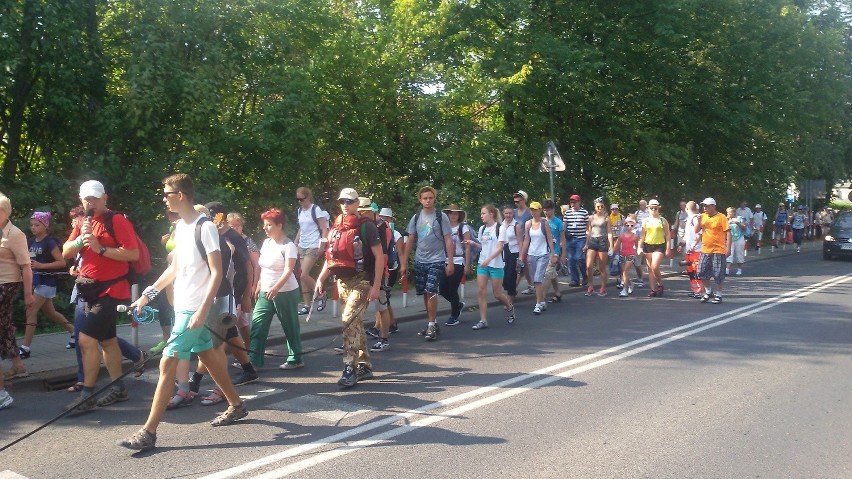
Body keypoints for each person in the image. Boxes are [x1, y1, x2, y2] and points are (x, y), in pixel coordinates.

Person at [119, 173, 248, 452]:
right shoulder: (180, 228)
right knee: (207, 356)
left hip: (195, 309)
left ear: (181, 196)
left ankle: (148, 432)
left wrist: (203, 310)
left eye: (167, 193)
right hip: (184, 307)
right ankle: (236, 404)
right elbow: (174, 268)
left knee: (167, 363)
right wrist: (147, 294)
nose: (163, 198)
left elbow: (217, 273)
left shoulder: (206, 228)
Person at [62, 180, 139, 413]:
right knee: (107, 341)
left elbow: (133, 253)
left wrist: (100, 248)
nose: (91, 202)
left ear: (105, 197)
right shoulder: (83, 222)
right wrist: (79, 241)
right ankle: (119, 388)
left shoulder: (116, 220)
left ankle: (87, 394)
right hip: (88, 289)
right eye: (87, 198)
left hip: (111, 290)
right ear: (81, 200)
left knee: (85, 340)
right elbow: (66, 252)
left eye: (95, 198)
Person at [315, 188, 383, 387]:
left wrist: (376, 286)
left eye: (350, 201)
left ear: (356, 203)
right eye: (342, 201)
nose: (345, 205)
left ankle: (349, 368)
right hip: (342, 282)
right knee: (355, 324)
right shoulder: (336, 226)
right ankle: (365, 365)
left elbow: (379, 257)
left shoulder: (367, 226)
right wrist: (321, 278)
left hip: (362, 280)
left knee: (348, 320)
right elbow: (331, 256)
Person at [248, 208, 303, 370]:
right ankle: (254, 360)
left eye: (269, 225)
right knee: (258, 324)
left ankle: (296, 358)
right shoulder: (266, 243)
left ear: (279, 225)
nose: (265, 228)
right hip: (266, 291)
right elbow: (262, 266)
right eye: (264, 225)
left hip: (285, 291)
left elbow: (288, 270)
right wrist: (258, 284)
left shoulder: (289, 246)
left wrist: (277, 287)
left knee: (290, 325)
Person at [399, 186, 454, 342]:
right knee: (424, 291)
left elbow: (448, 239)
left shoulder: (440, 216)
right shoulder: (416, 217)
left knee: (431, 290)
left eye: (430, 197)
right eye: (425, 198)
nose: (428, 200)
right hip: (420, 259)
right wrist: (404, 263)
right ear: (420, 200)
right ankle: (433, 322)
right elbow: (410, 240)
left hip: (436, 259)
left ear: (434, 198)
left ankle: (431, 325)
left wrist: (450, 262)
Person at [19, 211, 74, 358]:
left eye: (37, 225)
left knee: (30, 310)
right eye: (31, 225)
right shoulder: (31, 241)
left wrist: (41, 266)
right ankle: (75, 333)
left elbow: (61, 262)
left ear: (46, 225)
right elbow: (30, 261)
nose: (33, 228)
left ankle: (25, 347)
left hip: (47, 282)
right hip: (36, 282)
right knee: (50, 313)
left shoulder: (50, 242)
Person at [0, 193, 34, 381]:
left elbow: (26, 265)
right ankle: (18, 365)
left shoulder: (15, 234)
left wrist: (28, 294)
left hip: (7, 284)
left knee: (3, 324)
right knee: (4, 325)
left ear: (5, 212)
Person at [466, 204, 514, 329]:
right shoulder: (482, 229)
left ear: (491, 214)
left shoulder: (500, 228)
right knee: (481, 291)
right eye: (481, 213)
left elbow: (499, 248)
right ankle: (483, 320)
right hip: (483, 264)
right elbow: (483, 246)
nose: (481, 216)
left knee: (497, 294)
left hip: (496, 265)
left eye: (483, 213)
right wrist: (472, 243)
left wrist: (489, 259)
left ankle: (509, 307)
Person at [294, 187, 330, 315]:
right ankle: (307, 305)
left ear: (308, 197)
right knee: (301, 275)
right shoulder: (300, 210)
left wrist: (322, 245)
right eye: (297, 199)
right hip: (302, 245)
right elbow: (301, 228)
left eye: (301, 199)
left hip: (313, 244)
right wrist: (296, 241)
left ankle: (321, 293)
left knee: (303, 274)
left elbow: (324, 229)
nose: (299, 201)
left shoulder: (316, 210)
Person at [227, 212, 260, 348]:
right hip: (233, 286)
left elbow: (256, 265)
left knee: (229, 328)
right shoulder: (226, 240)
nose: (235, 228)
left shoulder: (247, 241)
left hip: (242, 285)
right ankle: (249, 350)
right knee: (242, 322)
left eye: (238, 225)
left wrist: (253, 286)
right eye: (232, 226)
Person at [520, 201, 557, 313]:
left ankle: (538, 304)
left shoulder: (544, 223)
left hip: (543, 254)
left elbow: (550, 239)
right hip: (531, 254)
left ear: (540, 210)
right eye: (531, 209)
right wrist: (522, 255)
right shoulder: (528, 224)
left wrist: (552, 254)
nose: (533, 212)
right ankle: (541, 302)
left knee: (537, 279)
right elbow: (526, 240)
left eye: (535, 209)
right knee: (536, 280)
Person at [695, 197, 730, 304]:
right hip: (705, 249)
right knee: (701, 271)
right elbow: (696, 230)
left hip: (718, 249)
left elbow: (728, 233)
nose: (704, 208)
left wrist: (728, 247)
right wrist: (699, 221)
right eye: (703, 206)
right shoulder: (703, 216)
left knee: (718, 273)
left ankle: (719, 294)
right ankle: (708, 291)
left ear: (713, 206)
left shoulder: (721, 217)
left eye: (707, 206)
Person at [440, 205, 470, 326]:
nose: (453, 215)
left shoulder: (463, 228)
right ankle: (458, 305)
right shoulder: (444, 228)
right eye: (450, 213)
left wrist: (467, 265)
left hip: (458, 260)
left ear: (459, 215)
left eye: (455, 213)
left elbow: (467, 247)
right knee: (442, 289)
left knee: (452, 288)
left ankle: (454, 315)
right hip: (445, 259)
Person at [637, 199, 672, 297]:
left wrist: (668, 248)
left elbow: (668, 235)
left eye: (655, 208)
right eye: (651, 208)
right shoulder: (646, 220)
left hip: (659, 245)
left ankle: (660, 284)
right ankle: (653, 289)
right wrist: (639, 247)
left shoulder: (662, 220)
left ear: (658, 208)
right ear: (648, 208)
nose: (653, 209)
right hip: (648, 245)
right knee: (650, 269)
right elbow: (642, 236)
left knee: (655, 266)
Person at [583, 198, 614, 297]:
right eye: (598, 207)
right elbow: (589, 232)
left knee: (602, 267)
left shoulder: (606, 218)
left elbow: (609, 232)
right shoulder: (591, 218)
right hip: (592, 240)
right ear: (595, 207)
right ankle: (590, 287)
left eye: (601, 206)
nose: (600, 208)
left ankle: (603, 288)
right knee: (588, 266)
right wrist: (586, 244)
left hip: (602, 241)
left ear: (604, 207)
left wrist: (611, 246)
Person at [562, 194, 589, 287]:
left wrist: (587, 242)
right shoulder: (567, 213)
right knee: (571, 260)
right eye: (571, 202)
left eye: (575, 202)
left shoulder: (584, 212)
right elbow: (564, 226)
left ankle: (585, 276)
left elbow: (588, 228)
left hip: (581, 238)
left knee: (580, 258)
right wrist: (563, 238)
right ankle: (575, 280)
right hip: (570, 239)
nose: (573, 204)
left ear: (579, 202)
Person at [679, 201, 704, 298]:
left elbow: (700, 234)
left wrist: (694, 244)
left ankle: (700, 291)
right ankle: (694, 290)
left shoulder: (695, 219)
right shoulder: (688, 219)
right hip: (689, 250)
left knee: (697, 271)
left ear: (686, 208)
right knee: (691, 272)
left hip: (697, 250)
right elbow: (687, 235)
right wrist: (681, 244)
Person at [542, 200, 565, 303]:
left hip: (555, 251)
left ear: (553, 210)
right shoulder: (542, 221)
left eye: (548, 210)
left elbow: (563, 238)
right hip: (544, 250)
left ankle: (541, 298)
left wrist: (563, 254)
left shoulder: (558, 222)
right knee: (552, 274)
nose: (546, 212)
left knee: (548, 274)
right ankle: (557, 293)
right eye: (544, 210)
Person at [500, 205, 523, 304]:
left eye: (510, 213)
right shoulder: (501, 225)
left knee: (511, 276)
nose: (508, 215)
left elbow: (520, 242)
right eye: (506, 213)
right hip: (504, 252)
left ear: (513, 214)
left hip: (514, 252)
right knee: (504, 278)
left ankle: (509, 300)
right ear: (503, 214)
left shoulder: (516, 225)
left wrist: (521, 256)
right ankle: (512, 291)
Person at [513, 191, 534, 294]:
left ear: (524, 200)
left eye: (518, 200)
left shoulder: (530, 212)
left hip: (527, 242)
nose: (516, 203)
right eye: (515, 201)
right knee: (523, 266)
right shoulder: (513, 212)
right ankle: (531, 285)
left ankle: (512, 290)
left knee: (522, 264)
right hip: (515, 242)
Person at [613, 216, 638, 297]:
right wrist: (613, 253)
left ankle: (625, 289)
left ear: (634, 226)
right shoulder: (621, 236)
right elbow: (616, 246)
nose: (629, 227)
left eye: (632, 225)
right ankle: (630, 284)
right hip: (622, 254)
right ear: (625, 226)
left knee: (625, 272)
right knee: (624, 273)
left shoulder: (635, 236)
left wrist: (639, 253)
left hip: (631, 254)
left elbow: (637, 247)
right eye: (627, 225)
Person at [632, 199, 650, 287]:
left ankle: (653, 277)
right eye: (640, 205)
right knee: (637, 261)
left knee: (649, 260)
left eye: (643, 205)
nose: (641, 206)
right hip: (639, 238)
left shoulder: (649, 212)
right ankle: (640, 279)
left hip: (649, 238)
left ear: (646, 205)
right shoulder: (637, 212)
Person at [726, 207, 747, 276]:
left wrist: (737, 223)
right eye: (727, 213)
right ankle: (727, 270)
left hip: (739, 238)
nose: (728, 214)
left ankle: (739, 269)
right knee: (729, 254)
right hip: (730, 239)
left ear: (734, 213)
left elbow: (744, 227)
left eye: (730, 212)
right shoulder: (726, 219)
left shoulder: (740, 218)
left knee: (739, 254)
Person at [609, 203, 625, 289]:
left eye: (616, 209)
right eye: (613, 209)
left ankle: (622, 279)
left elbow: (626, 228)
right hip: (612, 241)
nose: (614, 211)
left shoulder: (622, 217)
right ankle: (618, 278)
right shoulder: (608, 218)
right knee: (615, 260)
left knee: (621, 260)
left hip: (620, 241)